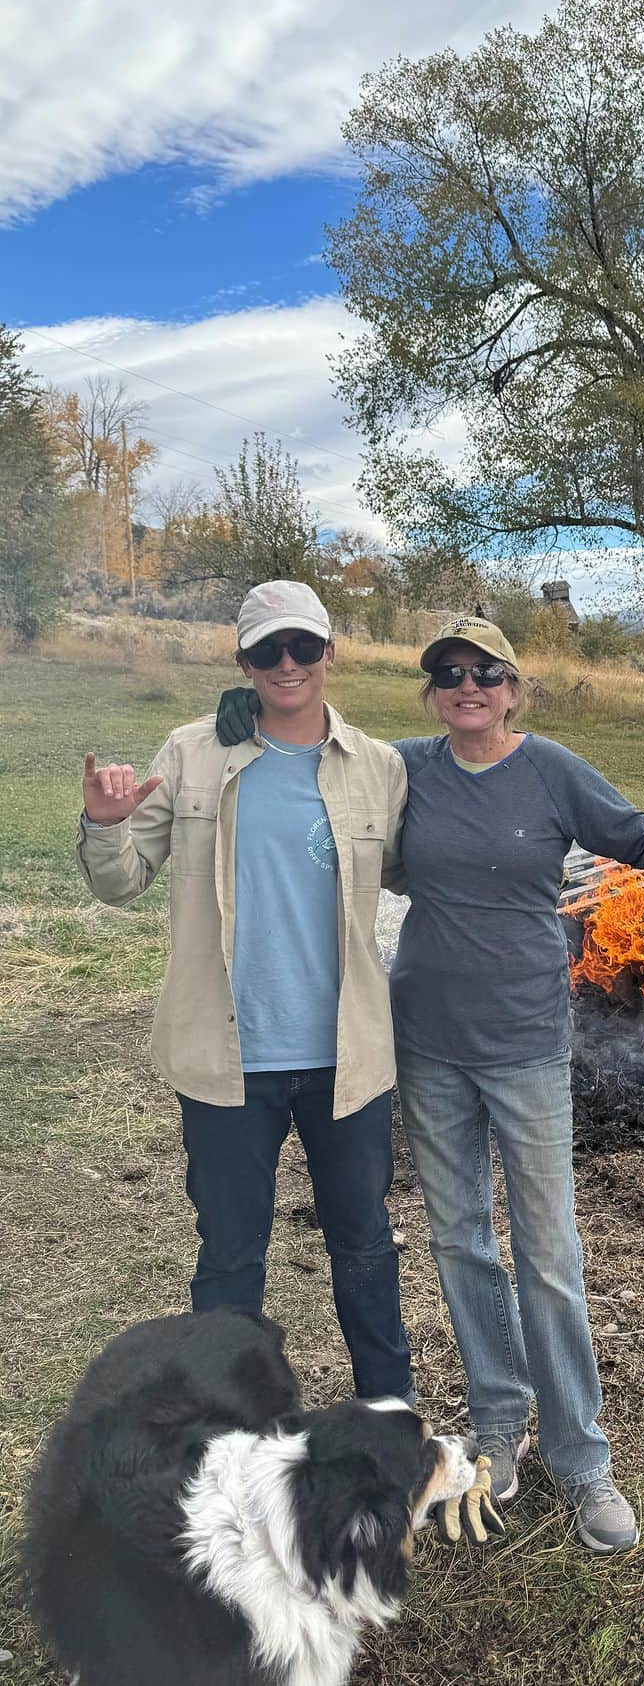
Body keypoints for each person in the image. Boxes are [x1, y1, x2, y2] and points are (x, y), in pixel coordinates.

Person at [216, 616, 644, 1554]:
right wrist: (247, 719)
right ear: (431, 690)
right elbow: (315, 755)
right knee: (460, 1241)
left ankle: (581, 1459)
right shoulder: (405, 765)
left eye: (484, 672)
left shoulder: (552, 770)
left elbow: (637, 834)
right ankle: (499, 1423)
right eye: (448, 673)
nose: (467, 686)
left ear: (513, 684)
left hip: (527, 1040)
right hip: (426, 1040)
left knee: (548, 1254)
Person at [76, 580, 412, 1402]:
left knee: (365, 1245)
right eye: (267, 651)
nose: (287, 664)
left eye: (302, 646)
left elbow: (423, 866)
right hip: (228, 1060)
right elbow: (120, 883)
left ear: (330, 653)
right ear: (243, 662)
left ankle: (388, 1415)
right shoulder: (192, 753)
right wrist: (105, 822)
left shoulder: (381, 766)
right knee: (230, 1254)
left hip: (347, 1058)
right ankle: (224, 1433)